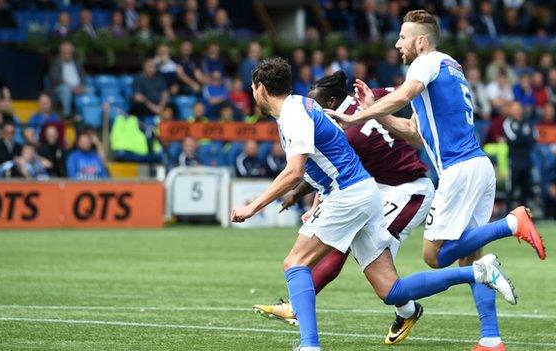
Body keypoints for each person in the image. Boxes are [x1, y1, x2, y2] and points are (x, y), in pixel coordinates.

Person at [232, 57, 517, 351]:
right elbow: (333, 153)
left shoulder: (293, 115)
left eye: (253, 89)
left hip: (352, 194)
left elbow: (294, 171)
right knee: (391, 290)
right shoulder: (303, 106)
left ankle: (309, 345)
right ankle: (478, 272)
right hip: (366, 193)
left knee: (295, 263)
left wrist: (253, 206)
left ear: (261, 89)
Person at [325, 11, 545, 351]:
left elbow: (402, 95)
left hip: (458, 172)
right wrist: (379, 111)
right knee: (473, 259)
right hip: (478, 168)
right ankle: (491, 339)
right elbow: (415, 132)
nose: (398, 44)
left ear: (421, 41)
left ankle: (511, 222)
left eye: (402, 37)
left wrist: (355, 116)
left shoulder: (426, 63)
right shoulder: (450, 68)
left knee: (433, 256)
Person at [254, 70, 435, 344]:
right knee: (351, 248)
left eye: (320, 103)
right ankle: (408, 308)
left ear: (333, 99)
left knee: (371, 263)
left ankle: (414, 305)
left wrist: (309, 197)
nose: (316, 107)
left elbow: (336, 168)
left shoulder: (346, 129)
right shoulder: (368, 99)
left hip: (408, 191)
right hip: (378, 188)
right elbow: (404, 92)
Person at [503, 102, 536, 211]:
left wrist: (521, 138)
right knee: (511, 189)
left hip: (526, 160)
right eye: (514, 109)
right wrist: (524, 138)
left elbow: (532, 139)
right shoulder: (507, 123)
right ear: (511, 111)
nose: (517, 111)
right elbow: (512, 139)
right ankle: (508, 215)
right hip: (514, 161)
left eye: (518, 108)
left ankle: (525, 217)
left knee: (525, 190)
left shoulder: (528, 122)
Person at [49, 42, 87, 118]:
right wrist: (71, 87)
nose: (67, 55)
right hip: (61, 87)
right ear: (61, 53)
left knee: (90, 90)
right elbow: (55, 78)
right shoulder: (56, 63)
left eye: (69, 53)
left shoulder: (76, 62)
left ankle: (84, 115)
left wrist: (82, 86)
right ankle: (67, 114)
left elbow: (83, 76)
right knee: (66, 90)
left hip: (78, 87)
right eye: (65, 53)